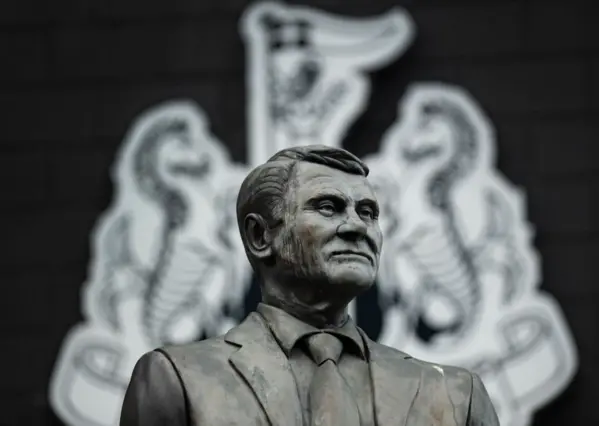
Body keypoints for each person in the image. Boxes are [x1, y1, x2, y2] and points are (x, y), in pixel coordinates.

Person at [119, 145, 500, 426]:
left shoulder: (455, 396)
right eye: (328, 207)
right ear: (259, 236)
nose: (357, 227)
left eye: (368, 212)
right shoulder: (179, 381)